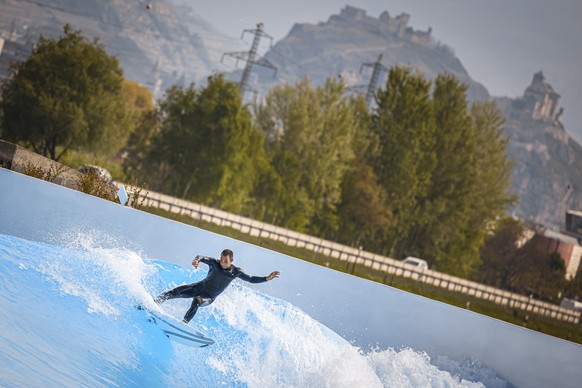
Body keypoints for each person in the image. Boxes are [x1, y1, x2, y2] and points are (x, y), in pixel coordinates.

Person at [155, 249, 280, 324]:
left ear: (232, 260)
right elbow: (201, 256)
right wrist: (196, 260)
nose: (222, 262)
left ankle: (183, 324)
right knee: (175, 292)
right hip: (198, 287)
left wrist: (267, 278)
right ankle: (153, 303)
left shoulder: (236, 272)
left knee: (197, 301)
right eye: (221, 259)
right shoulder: (214, 263)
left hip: (208, 297)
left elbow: (251, 279)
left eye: (225, 261)